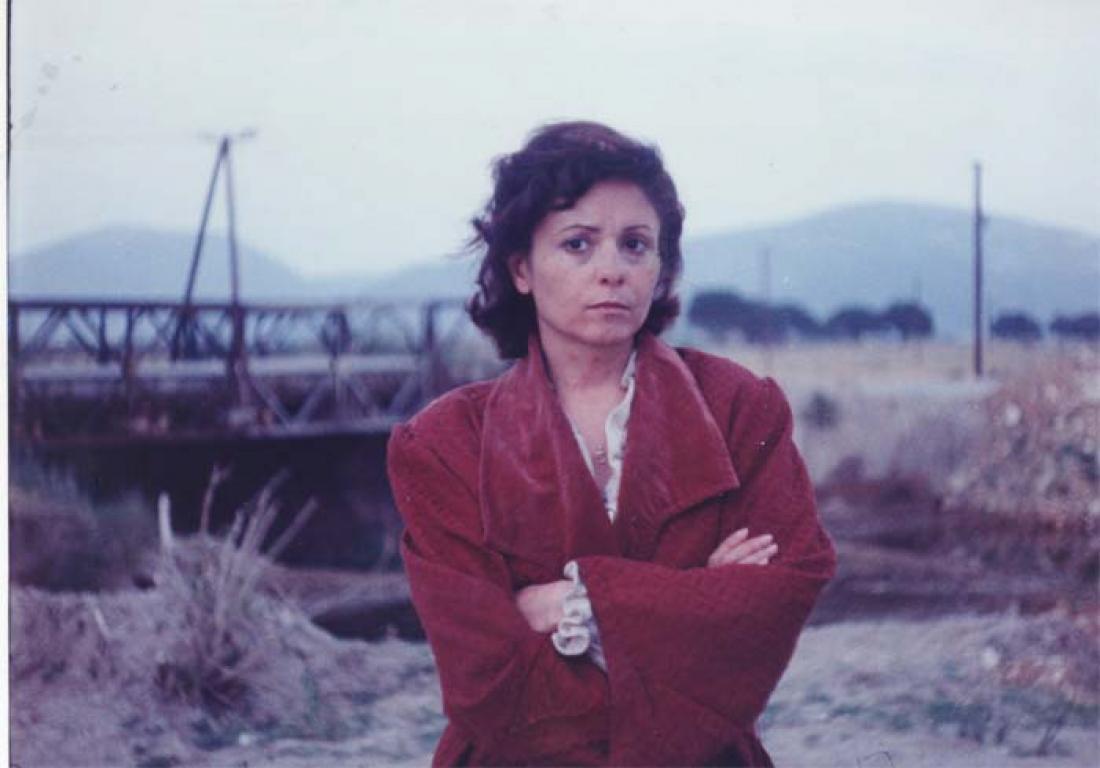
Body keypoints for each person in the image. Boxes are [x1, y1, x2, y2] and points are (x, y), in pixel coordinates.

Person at [387, 121, 836, 766]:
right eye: (578, 244)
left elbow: (770, 610)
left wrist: (575, 604)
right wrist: (694, 597)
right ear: (521, 268)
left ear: (660, 266)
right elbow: (486, 686)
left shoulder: (739, 408)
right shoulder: (444, 444)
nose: (612, 271)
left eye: (635, 245)